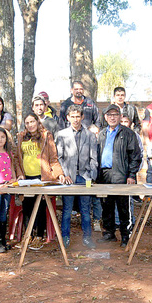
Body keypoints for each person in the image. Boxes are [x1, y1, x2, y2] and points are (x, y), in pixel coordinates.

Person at [14, 113, 65, 250]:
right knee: (27, 207)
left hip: (42, 177)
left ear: (37, 121)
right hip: (26, 179)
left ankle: (39, 237)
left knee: (41, 207)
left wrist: (59, 174)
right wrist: (19, 175)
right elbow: (17, 159)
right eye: (27, 122)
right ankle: (28, 236)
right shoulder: (21, 137)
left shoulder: (46, 135)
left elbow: (53, 158)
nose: (30, 125)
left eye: (32, 121)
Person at [97, 104, 142, 248]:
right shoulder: (102, 133)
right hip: (104, 176)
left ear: (120, 116)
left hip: (121, 176)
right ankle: (109, 234)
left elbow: (135, 156)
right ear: (105, 117)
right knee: (107, 207)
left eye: (115, 115)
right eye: (109, 115)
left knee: (124, 208)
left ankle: (125, 236)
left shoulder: (128, 133)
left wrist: (131, 175)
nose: (112, 117)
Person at [55, 105, 98, 249]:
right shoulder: (62, 134)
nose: (75, 119)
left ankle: (87, 237)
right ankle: (65, 238)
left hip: (85, 177)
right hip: (69, 178)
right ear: (67, 118)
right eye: (72, 116)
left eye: (78, 116)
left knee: (86, 210)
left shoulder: (90, 135)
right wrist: (64, 175)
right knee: (67, 209)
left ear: (82, 117)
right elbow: (59, 157)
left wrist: (92, 176)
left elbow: (94, 158)